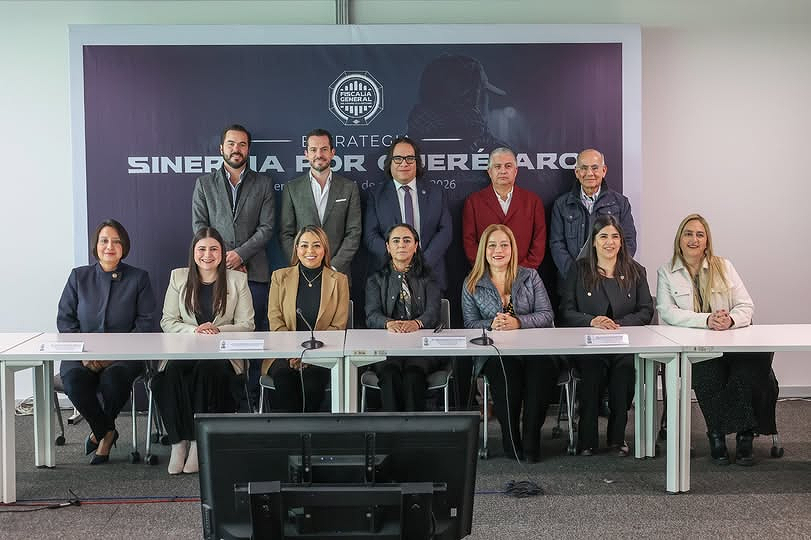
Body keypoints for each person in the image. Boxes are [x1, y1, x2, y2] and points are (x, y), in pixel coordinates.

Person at [656, 213, 770, 466]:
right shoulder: (666, 272)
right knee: (707, 373)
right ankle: (717, 434)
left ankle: (744, 436)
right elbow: (667, 311)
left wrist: (730, 320)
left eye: (700, 234)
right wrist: (706, 320)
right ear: (679, 239)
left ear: (707, 241)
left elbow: (746, 305)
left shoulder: (724, 266)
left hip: (732, 342)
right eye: (688, 234)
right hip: (698, 347)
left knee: (749, 369)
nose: (694, 239)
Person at [154, 227, 255, 475]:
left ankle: (199, 443)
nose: (207, 255)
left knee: (207, 370)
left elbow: (247, 324)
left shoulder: (237, 280)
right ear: (193, 252)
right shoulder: (178, 277)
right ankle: (179, 443)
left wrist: (217, 330)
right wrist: (195, 331)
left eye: (213, 249)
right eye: (201, 249)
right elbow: (168, 321)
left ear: (222, 253)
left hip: (222, 355)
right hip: (185, 350)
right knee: (169, 374)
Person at [56, 219, 156, 465]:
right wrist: (85, 355)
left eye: (116, 241)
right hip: (82, 354)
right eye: (104, 241)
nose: (109, 246)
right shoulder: (78, 276)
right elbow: (66, 321)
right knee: (74, 379)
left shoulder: (138, 278)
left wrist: (110, 357)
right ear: (96, 245)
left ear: (124, 246)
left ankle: (100, 433)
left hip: (124, 356)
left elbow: (145, 324)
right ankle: (106, 431)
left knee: (114, 379)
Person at [191, 124, 274, 402]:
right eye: (231, 144)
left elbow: (267, 227)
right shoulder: (204, 184)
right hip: (215, 274)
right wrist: (224, 259)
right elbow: (200, 228)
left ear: (248, 149)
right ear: (221, 148)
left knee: (255, 337)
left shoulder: (263, 183)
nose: (236, 149)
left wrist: (240, 255)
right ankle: (227, 400)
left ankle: (254, 399)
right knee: (219, 335)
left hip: (254, 273)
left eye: (241, 144)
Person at [559, 215, 653, 456]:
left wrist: (619, 324)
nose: (609, 242)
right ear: (593, 241)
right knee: (591, 373)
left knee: (624, 373)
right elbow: (566, 311)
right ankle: (587, 439)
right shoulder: (579, 270)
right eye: (603, 236)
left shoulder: (636, 271)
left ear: (621, 241)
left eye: (615, 237)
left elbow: (646, 310)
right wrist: (591, 321)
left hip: (625, 344)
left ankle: (617, 438)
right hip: (588, 345)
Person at [461, 224, 556, 462]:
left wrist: (518, 322)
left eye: (504, 245)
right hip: (496, 352)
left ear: (512, 248)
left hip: (534, 350)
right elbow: (470, 324)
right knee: (507, 377)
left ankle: (531, 441)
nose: (498, 250)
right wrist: (492, 324)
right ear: (484, 250)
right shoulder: (472, 282)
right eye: (492, 245)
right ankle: (510, 440)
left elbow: (547, 315)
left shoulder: (530, 276)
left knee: (540, 373)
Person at [261, 226, 350, 412]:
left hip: (323, 354)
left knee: (312, 382)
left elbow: (338, 326)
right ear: (296, 249)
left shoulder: (339, 280)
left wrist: (310, 355)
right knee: (285, 380)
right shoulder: (279, 277)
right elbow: (275, 321)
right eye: (304, 245)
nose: (310, 251)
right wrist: (293, 353)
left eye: (316, 245)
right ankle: (289, 431)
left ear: (324, 249)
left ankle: (310, 430)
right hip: (284, 353)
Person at [365, 223, 443, 411]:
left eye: (407, 240)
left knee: (413, 376)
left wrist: (417, 323)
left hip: (421, 350)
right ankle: (393, 427)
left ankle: (413, 427)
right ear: (388, 247)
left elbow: (433, 312)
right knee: (390, 374)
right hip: (387, 349)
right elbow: (371, 315)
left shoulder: (429, 277)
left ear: (416, 246)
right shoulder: (376, 279)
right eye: (396, 241)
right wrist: (389, 323)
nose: (401, 245)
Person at [363, 136, 452, 292]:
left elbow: (445, 231)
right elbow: (370, 236)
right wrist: (398, 261)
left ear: (417, 162)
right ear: (390, 162)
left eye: (410, 158)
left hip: (429, 274)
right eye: (398, 158)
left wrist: (422, 262)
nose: (404, 163)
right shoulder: (376, 195)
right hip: (388, 277)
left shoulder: (436, 193)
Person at [279, 128, 361, 278]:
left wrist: (334, 266)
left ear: (332, 152)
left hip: (338, 274)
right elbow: (286, 234)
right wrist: (303, 264)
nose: (319, 155)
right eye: (313, 150)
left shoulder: (349, 187)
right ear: (306, 154)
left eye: (324, 149)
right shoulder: (292, 189)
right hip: (302, 274)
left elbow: (354, 233)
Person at [549, 148, 637, 282]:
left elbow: (629, 242)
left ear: (604, 170)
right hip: (572, 281)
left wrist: (610, 272)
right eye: (584, 168)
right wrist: (574, 274)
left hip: (610, 280)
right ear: (577, 172)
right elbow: (556, 244)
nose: (589, 173)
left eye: (595, 168)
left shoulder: (620, 203)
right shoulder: (562, 205)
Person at [462, 147, 546, 269]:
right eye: (497, 166)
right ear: (489, 172)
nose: (503, 171)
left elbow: (539, 241)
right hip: (486, 273)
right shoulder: (473, 202)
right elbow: (469, 242)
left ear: (515, 171)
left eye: (508, 166)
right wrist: (488, 270)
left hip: (523, 274)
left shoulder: (533, 201)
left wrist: (523, 271)